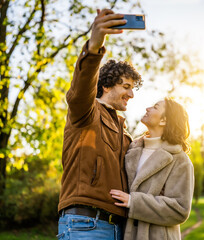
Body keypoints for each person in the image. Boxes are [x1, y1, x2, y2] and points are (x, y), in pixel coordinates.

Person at [57, 9, 143, 240]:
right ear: (106, 86)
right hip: (85, 224)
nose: (131, 94)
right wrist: (94, 46)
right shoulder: (86, 111)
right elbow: (81, 87)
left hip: (117, 228)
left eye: (132, 88)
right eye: (126, 86)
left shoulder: (123, 132)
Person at [110, 98, 194, 240]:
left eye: (155, 107)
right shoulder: (132, 149)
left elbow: (180, 209)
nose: (148, 108)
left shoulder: (180, 160)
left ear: (163, 121)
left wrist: (133, 202)